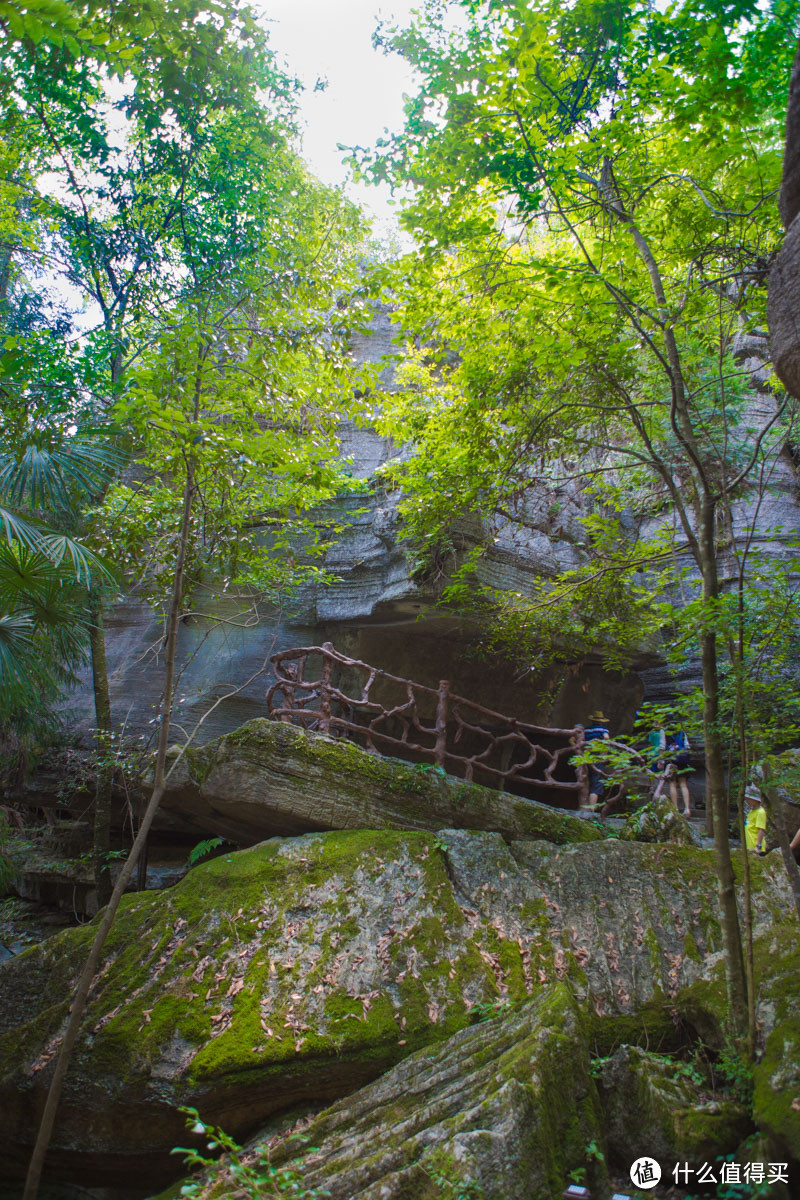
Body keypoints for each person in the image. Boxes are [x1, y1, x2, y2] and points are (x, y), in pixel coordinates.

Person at [583, 710, 610, 811]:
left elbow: (572, 739)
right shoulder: (603, 729)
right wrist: (604, 754)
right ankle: (591, 810)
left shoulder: (586, 730)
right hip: (597, 756)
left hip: (586, 756)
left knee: (586, 780)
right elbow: (606, 739)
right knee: (596, 782)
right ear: (602, 721)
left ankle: (583, 808)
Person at [744, 787, 768, 855]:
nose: (747, 801)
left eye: (750, 799)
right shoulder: (752, 811)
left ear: (756, 800)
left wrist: (758, 846)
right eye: (747, 799)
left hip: (756, 847)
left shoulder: (760, 812)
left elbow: (761, 829)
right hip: (750, 846)